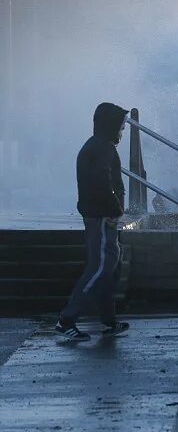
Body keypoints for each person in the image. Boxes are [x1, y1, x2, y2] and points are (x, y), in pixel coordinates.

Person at [55, 103, 132, 341]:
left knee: (110, 268)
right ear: (110, 127)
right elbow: (101, 183)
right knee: (99, 268)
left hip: (102, 216)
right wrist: (115, 209)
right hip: (101, 217)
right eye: (120, 128)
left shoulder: (97, 146)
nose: (122, 133)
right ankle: (66, 320)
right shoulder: (102, 149)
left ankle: (108, 321)